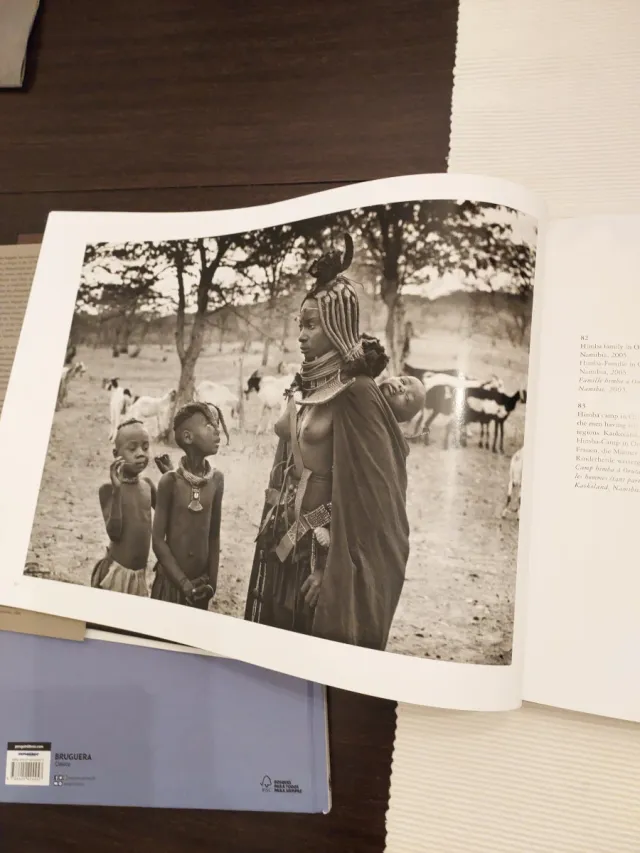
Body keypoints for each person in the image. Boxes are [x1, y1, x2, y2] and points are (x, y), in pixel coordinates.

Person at [244, 234, 411, 650]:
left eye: (313, 324)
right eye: (301, 323)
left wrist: (328, 568)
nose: (302, 334)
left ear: (338, 325)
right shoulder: (305, 382)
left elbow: (371, 497)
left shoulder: (356, 392)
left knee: (311, 647)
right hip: (283, 535)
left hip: (323, 553)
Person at [151, 402, 224, 609]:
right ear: (188, 437)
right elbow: (157, 540)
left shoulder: (217, 480)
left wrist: (212, 585)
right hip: (171, 584)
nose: (217, 432)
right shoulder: (169, 482)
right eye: (209, 426)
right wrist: (183, 583)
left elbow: (214, 536)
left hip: (201, 587)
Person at [92, 418, 156, 596]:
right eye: (132, 448)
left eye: (145, 447)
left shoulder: (148, 486)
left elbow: (171, 514)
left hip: (141, 575)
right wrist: (117, 491)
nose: (141, 453)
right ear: (116, 454)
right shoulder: (108, 490)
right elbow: (114, 532)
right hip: (117, 574)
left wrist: (170, 476)